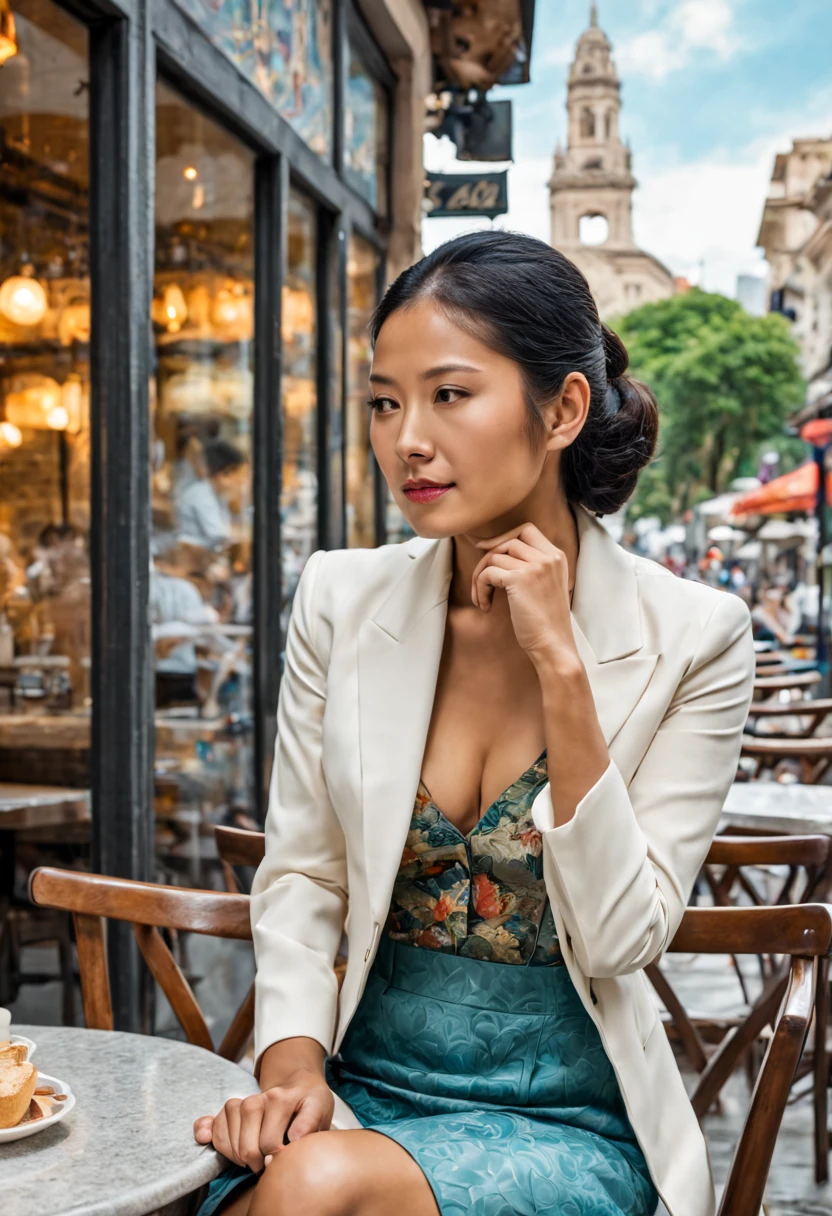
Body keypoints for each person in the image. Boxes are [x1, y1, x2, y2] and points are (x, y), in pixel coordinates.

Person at [193, 232, 754, 1216]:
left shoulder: (695, 637)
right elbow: (303, 873)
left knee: (316, 1187)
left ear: (562, 409)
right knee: (285, 1181)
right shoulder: (338, 596)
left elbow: (626, 935)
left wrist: (562, 672)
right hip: (354, 1085)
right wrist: (289, 1063)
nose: (407, 435)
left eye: (449, 394)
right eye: (383, 400)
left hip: (569, 1117)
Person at [176, 438, 248, 552]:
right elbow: (220, 537)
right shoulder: (201, 494)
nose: (242, 483)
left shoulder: (217, 496)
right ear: (224, 475)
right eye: (240, 477)